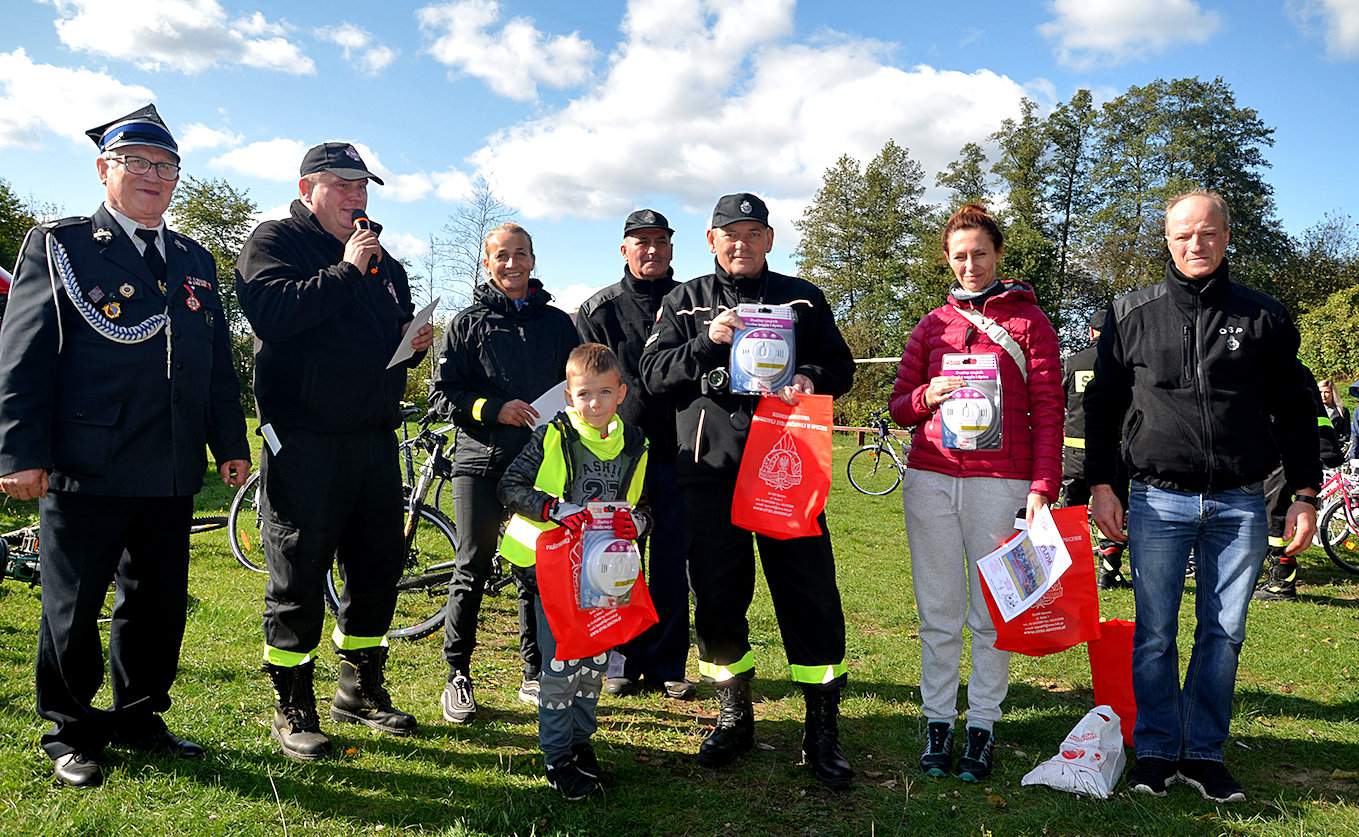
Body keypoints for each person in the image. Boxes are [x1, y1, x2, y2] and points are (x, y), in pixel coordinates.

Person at [0, 104, 250, 787]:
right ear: (103, 169)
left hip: (170, 463)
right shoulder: (64, 244)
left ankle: (140, 714)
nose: (153, 176)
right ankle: (72, 730)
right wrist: (18, 452)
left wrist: (229, 442)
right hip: (87, 460)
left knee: (158, 600)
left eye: (165, 167)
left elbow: (215, 365)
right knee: (73, 604)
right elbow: (23, 355)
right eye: (136, 163)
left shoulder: (196, 259)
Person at [1084, 190, 1320, 803]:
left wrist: (1303, 492)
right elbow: (1103, 409)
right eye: (1185, 233)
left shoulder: (1263, 316)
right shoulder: (1130, 313)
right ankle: (1158, 751)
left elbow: (1297, 410)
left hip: (1240, 501)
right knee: (1155, 632)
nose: (1196, 243)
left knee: (1224, 631)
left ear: (1226, 237)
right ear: (1167, 239)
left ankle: (1205, 752)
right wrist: (1102, 484)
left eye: (1208, 233)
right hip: (1156, 499)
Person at [640, 193, 857, 789]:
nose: (740, 243)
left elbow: (842, 366)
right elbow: (654, 376)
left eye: (752, 232)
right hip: (709, 473)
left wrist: (812, 376)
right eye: (728, 233)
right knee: (716, 598)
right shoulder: (682, 302)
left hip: (788, 469)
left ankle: (821, 727)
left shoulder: (804, 297)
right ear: (711, 241)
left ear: (769, 239)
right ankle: (735, 715)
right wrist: (709, 341)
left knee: (810, 595)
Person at [236, 142, 432, 760]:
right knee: (298, 570)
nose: (357, 198)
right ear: (307, 188)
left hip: (372, 438)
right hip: (303, 441)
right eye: (343, 186)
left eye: (363, 188)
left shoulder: (386, 264)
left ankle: (361, 687)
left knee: (377, 567)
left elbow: (379, 346)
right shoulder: (273, 243)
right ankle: (292, 703)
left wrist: (412, 343)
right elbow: (272, 315)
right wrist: (347, 270)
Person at [888, 202, 1063, 783]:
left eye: (980, 254)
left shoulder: (1029, 324)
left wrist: (1042, 486)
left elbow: (1049, 409)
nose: (970, 265)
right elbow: (897, 405)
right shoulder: (930, 325)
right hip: (933, 478)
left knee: (992, 613)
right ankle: (938, 721)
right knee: (937, 611)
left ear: (998, 255)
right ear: (947, 258)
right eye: (960, 255)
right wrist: (925, 398)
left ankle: (982, 725)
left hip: (1001, 481)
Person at [430, 222, 579, 724]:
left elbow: (577, 386)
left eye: (520, 254)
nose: (511, 264)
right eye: (501, 256)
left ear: (533, 260)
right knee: (471, 567)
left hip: (539, 469)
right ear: (487, 263)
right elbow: (445, 393)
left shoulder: (559, 325)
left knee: (533, 572)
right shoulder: (467, 323)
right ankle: (458, 675)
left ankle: (534, 673)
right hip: (479, 463)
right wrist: (494, 409)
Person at [497, 343, 651, 799]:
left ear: (621, 393)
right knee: (562, 665)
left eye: (605, 393)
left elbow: (643, 506)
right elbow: (510, 485)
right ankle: (556, 756)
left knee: (596, 662)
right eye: (585, 394)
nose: (595, 403)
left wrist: (636, 522)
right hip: (548, 568)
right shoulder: (552, 436)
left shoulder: (636, 443)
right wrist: (554, 508)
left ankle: (581, 744)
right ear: (569, 396)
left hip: (602, 571)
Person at [575, 209, 694, 701]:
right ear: (623, 250)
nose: (650, 249)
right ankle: (618, 659)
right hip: (616, 460)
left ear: (671, 247)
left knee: (671, 563)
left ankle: (668, 663)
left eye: (659, 240)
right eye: (639, 241)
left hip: (680, 451)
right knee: (615, 561)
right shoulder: (597, 310)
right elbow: (582, 383)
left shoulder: (691, 302)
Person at [1253, 364, 1342, 601]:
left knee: (1277, 519)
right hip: (1279, 451)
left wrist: (1326, 448)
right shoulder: (1285, 358)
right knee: (1273, 515)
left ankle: (1282, 582)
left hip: (1283, 453)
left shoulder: (1283, 361)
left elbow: (1310, 415)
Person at [1060, 309, 1130, 589]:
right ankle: (1109, 573)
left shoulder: (1073, 362)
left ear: (1090, 332)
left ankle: (1071, 573)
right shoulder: (1123, 364)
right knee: (1113, 512)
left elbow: (1061, 399)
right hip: (1112, 453)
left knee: (1070, 513)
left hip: (1075, 455)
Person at [1318, 379, 1350, 454]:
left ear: (1333, 393)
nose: (1323, 395)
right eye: (1320, 392)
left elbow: (1346, 436)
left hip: (1333, 452)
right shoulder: (1310, 410)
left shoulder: (1342, 412)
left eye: (1327, 392)